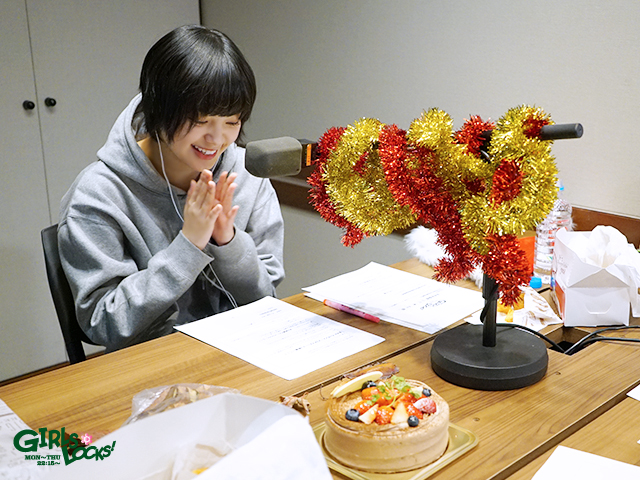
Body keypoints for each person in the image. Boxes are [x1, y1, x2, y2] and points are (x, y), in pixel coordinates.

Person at [58, 25, 285, 352]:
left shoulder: (246, 174)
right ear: (159, 108)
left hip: (244, 353)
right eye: (201, 120)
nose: (216, 139)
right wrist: (188, 246)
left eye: (231, 122)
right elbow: (103, 323)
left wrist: (229, 243)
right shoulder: (98, 194)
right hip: (152, 365)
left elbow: (267, 299)